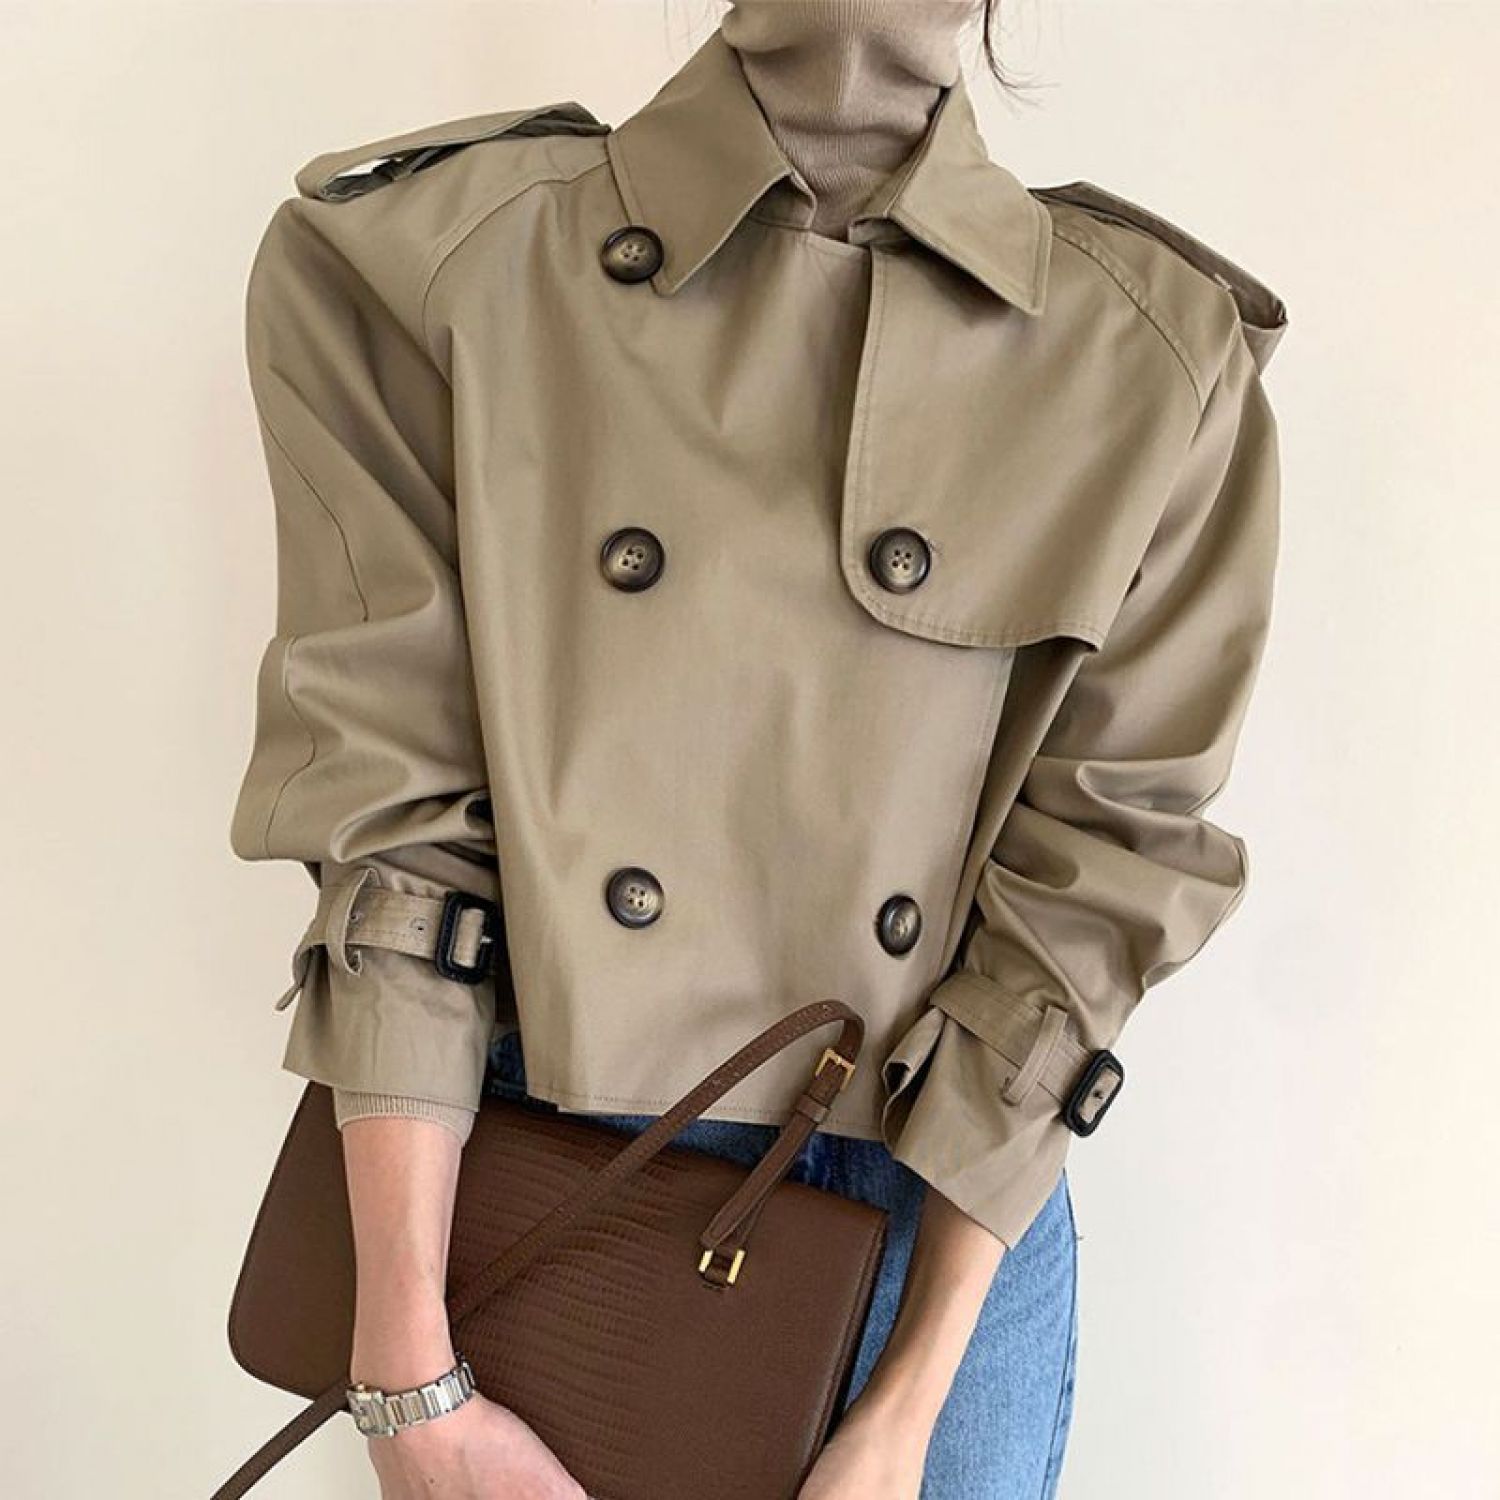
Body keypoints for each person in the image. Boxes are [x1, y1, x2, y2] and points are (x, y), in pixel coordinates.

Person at [230, 1, 1287, 1495]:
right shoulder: (429, 260)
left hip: (934, 1214)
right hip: (540, 1168)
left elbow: (1101, 882)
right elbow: (389, 813)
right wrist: (408, 1373)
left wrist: (906, 1412)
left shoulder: (1151, 353)